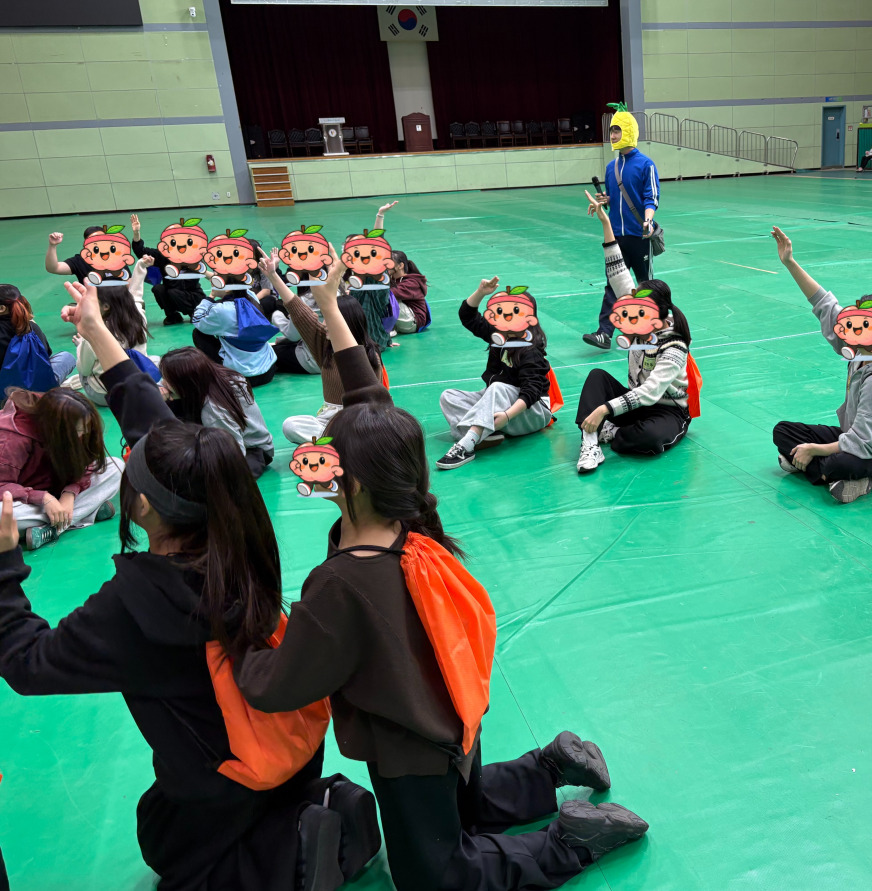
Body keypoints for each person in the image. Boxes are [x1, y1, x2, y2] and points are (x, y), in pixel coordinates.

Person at [233, 257, 649, 891]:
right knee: (466, 800)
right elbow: (371, 401)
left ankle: (569, 839)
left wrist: (240, 647)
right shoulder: (413, 520)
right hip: (452, 715)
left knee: (435, 874)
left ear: (348, 479)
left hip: (409, 744)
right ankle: (548, 768)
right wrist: (327, 306)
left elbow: (281, 685)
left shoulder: (341, 582)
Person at [0, 278, 380, 890]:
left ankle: (285, 854)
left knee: (167, 842)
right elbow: (157, 434)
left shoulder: (138, 603)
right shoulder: (242, 535)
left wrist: (4, 566)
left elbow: (25, 663)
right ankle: (314, 808)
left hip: (220, 774)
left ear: (146, 509)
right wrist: (99, 332)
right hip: (288, 744)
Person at [769, 227, 872, 504]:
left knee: (839, 464)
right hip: (853, 435)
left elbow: (864, 441)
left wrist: (814, 449)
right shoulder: (862, 350)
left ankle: (847, 476)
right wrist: (790, 262)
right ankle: (832, 477)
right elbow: (825, 305)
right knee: (783, 431)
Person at [575, 191, 696, 473]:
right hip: (635, 404)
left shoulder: (674, 345)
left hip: (667, 409)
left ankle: (611, 433)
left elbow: (652, 392)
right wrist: (606, 223)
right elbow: (618, 273)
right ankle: (590, 441)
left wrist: (606, 411)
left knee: (651, 439)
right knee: (596, 378)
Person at [257, 252, 385, 445]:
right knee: (291, 425)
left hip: (360, 419)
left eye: (330, 319)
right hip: (328, 418)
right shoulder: (325, 345)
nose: (325, 324)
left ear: (345, 324)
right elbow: (299, 311)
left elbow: (371, 408)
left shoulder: (367, 355)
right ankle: (340, 443)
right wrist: (273, 275)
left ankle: (341, 443)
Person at [437, 278, 556, 470]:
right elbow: (468, 316)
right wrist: (481, 292)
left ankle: (466, 446)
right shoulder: (497, 336)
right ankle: (484, 434)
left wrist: (507, 416)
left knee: (498, 388)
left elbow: (531, 392)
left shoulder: (530, 351)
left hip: (532, 412)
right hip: (502, 405)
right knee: (449, 397)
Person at [0, 385, 121, 551]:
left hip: (58, 492)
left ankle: (51, 528)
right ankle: (83, 513)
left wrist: (70, 493)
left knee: (116, 467)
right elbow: (2, 485)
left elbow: (88, 463)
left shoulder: (69, 419)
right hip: (26, 499)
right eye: (79, 430)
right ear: (58, 430)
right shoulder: (11, 437)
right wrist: (42, 498)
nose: (84, 433)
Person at [583, 104, 660, 351]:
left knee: (645, 284)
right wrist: (605, 199)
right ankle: (604, 333)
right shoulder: (611, 167)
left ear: (628, 131)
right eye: (611, 131)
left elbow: (651, 197)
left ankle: (653, 328)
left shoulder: (646, 164)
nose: (612, 136)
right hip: (616, 237)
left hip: (639, 235)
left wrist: (648, 219)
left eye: (617, 130)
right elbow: (617, 197)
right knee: (612, 286)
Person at [158, 347, 274, 479]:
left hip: (252, 450)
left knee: (216, 478)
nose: (163, 382)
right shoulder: (211, 374)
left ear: (185, 382)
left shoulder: (214, 411)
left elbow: (234, 453)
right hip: (228, 432)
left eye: (167, 380)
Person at [75, 255, 155, 405]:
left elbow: (84, 369)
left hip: (109, 395)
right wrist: (141, 266)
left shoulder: (96, 332)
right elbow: (136, 294)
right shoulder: (138, 314)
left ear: (105, 307)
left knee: (82, 370)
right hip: (139, 386)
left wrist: (81, 344)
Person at [192, 271, 279, 389]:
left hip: (242, 378)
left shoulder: (222, 310)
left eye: (217, 278)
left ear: (227, 289)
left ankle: (218, 372)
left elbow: (197, 319)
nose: (213, 280)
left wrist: (210, 297)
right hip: (268, 371)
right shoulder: (252, 296)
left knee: (199, 334)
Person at [129, 213, 208, 326]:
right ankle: (173, 315)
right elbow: (140, 251)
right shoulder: (163, 256)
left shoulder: (195, 258)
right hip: (173, 293)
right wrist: (136, 232)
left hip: (192, 296)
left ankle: (194, 313)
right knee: (158, 289)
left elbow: (185, 284)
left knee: (173, 291)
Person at [0, 285, 75, 391]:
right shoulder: (31, 327)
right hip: (38, 393)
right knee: (67, 357)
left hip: (5, 394)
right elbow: (46, 355)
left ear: (2, 308)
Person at [390, 250, 430, 335]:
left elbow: (391, 293)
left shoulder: (412, 282)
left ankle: (387, 329)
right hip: (404, 318)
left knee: (387, 296)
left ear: (401, 265)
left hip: (413, 323)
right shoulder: (392, 279)